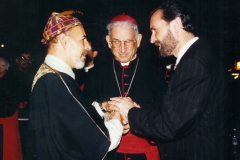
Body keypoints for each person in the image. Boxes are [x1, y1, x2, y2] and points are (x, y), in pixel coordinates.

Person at [108, 1, 230, 160]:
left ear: (177, 25)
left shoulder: (194, 63)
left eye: (154, 30)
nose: (152, 39)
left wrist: (130, 112)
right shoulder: (197, 55)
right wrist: (139, 107)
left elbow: (170, 126)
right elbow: (175, 109)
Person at [26, 12, 123, 160]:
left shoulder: (49, 75)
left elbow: (73, 118)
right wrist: (117, 118)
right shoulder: (57, 83)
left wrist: (103, 107)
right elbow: (102, 141)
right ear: (64, 41)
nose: (87, 46)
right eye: (83, 39)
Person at [83, 14, 167, 160]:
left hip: (145, 150)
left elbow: (164, 109)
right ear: (108, 41)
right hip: (108, 152)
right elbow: (85, 109)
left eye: (128, 42)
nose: (122, 49)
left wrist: (135, 112)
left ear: (138, 40)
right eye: (116, 42)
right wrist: (105, 109)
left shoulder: (155, 72)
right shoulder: (96, 73)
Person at [0, 56, 23, 160]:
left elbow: (14, 100)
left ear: (5, 68)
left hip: (7, 120)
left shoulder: (12, 80)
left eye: (1, 65)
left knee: (8, 150)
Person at [14, 48, 35, 159]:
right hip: (15, 122)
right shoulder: (11, 77)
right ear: (17, 60)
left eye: (29, 58)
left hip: (32, 121)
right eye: (23, 58)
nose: (26, 61)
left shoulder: (36, 77)